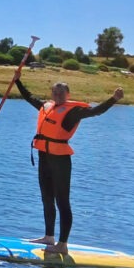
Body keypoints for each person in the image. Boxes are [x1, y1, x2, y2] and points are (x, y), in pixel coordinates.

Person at [14, 72, 124, 255]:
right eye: (55, 93)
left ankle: (63, 244)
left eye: (61, 93)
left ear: (68, 95)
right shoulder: (46, 107)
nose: (57, 97)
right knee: (46, 198)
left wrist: (113, 99)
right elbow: (29, 97)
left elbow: (96, 111)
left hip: (60, 161)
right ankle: (49, 237)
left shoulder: (73, 112)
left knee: (62, 202)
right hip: (44, 157)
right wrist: (17, 81)